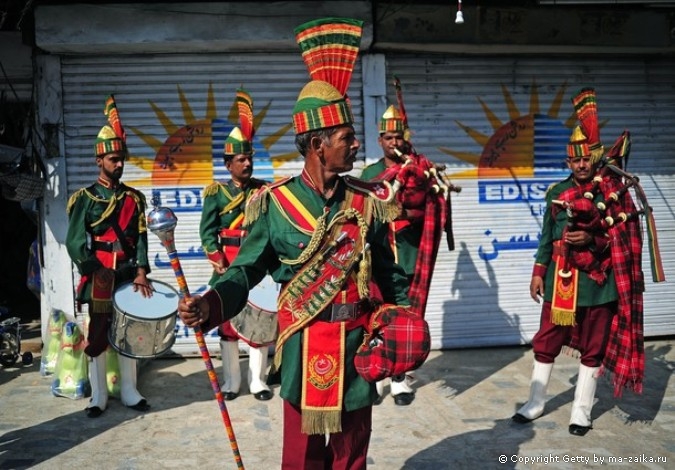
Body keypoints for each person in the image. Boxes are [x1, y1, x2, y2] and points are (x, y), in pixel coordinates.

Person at [178, 17, 413, 468]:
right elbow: (244, 271)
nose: (356, 145)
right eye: (346, 138)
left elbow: (389, 273)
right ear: (317, 145)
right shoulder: (275, 204)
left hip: (357, 343)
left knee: (352, 458)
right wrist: (210, 306)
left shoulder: (368, 202)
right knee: (301, 461)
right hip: (303, 345)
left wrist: (402, 322)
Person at [512, 88, 650, 436]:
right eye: (575, 160)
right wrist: (537, 272)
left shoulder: (612, 193)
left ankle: (581, 410)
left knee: (594, 346)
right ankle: (536, 402)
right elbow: (546, 236)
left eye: (586, 158)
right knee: (547, 338)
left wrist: (594, 239)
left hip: (600, 283)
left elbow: (627, 237)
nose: (581, 165)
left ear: (596, 158)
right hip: (562, 278)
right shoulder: (557, 193)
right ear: (568, 162)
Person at [66, 95, 152, 418]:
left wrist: (142, 270)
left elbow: (140, 237)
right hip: (100, 274)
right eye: (113, 159)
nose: (119, 164)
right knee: (98, 332)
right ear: (99, 161)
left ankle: (129, 390)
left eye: (121, 159)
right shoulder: (84, 199)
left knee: (129, 332)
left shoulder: (135, 198)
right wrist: (91, 268)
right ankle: (98, 395)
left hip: (129, 273)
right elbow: (75, 242)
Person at [361, 99, 450, 406]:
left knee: (405, 321)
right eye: (388, 138)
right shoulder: (369, 173)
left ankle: (399, 380)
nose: (394, 142)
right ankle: (372, 377)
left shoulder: (421, 170)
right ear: (380, 140)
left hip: (410, 256)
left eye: (398, 137)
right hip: (377, 260)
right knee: (372, 320)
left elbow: (438, 208)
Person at [199, 88, 272, 401]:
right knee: (228, 327)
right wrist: (218, 259)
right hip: (227, 264)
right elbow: (207, 232)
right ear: (228, 164)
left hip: (255, 264)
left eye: (250, 158)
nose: (247, 164)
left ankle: (258, 381)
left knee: (259, 324)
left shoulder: (264, 191)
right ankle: (232, 382)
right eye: (241, 159)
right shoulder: (216, 193)